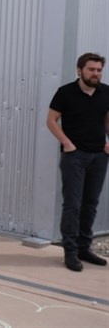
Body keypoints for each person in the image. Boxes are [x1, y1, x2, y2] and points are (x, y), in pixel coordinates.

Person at [47, 52, 109, 272]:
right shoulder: (66, 93)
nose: (96, 74)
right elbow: (51, 120)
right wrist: (67, 144)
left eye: (99, 70)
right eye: (91, 69)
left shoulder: (106, 92)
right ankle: (71, 252)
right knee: (72, 205)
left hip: (99, 157)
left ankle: (84, 248)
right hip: (75, 157)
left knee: (90, 204)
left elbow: (106, 119)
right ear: (80, 70)